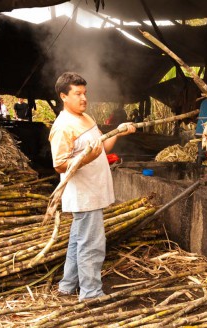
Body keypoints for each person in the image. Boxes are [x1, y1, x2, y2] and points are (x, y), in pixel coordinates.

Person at [48, 72, 135, 301]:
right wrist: (86, 158)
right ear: (64, 96)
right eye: (77, 94)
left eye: (84, 93)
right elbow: (59, 165)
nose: (83, 98)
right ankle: (90, 293)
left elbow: (103, 147)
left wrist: (120, 129)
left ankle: (68, 285)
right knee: (92, 245)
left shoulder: (85, 118)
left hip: (94, 191)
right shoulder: (63, 126)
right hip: (83, 195)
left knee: (79, 241)